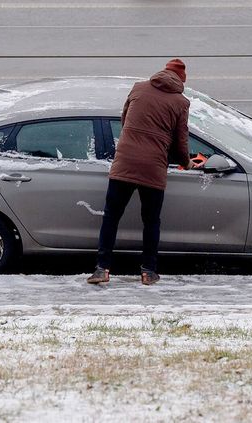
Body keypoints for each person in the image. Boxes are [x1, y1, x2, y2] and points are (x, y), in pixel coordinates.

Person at [87, 59, 198, 286]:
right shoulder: (181, 102)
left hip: (125, 161)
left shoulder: (138, 87)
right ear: (181, 80)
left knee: (111, 217)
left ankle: (102, 269)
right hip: (153, 167)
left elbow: (125, 120)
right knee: (151, 221)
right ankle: (148, 271)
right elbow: (180, 140)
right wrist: (185, 162)